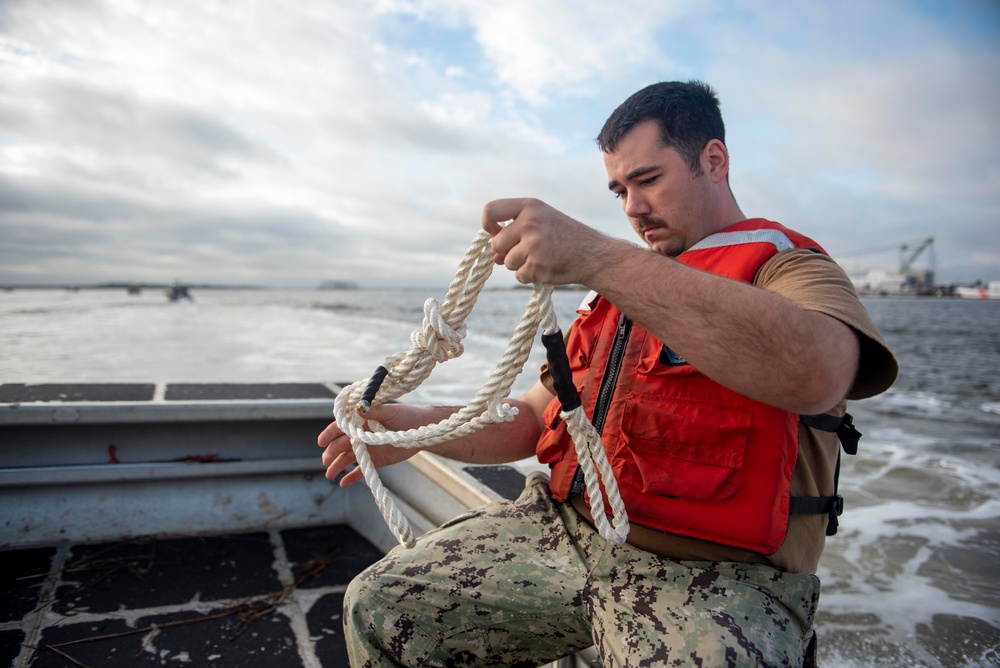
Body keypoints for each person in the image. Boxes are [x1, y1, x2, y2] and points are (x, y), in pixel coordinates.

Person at [318, 80, 897, 667]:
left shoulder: (787, 266)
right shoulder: (618, 295)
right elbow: (530, 419)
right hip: (567, 534)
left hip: (722, 580)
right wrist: (414, 429)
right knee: (378, 604)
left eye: (647, 180)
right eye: (619, 189)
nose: (632, 209)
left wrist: (595, 254)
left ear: (713, 161)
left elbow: (818, 372)